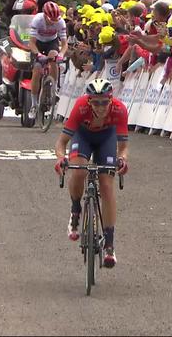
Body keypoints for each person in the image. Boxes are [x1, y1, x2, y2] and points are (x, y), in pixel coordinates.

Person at [54, 79, 129, 268]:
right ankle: (75, 209)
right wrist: (61, 159)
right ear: (89, 102)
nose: (101, 106)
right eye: (96, 102)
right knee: (78, 171)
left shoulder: (119, 110)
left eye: (105, 101)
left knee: (106, 186)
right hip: (83, 136)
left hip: (106, 139)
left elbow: (123, 147)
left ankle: (109, 245)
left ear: (111, 100)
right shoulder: (80, 107)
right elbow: (61, 143)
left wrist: (122, 160)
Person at [27, 1, 68, 119]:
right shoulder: (37, 20)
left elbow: (65, 44)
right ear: (45, 15)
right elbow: (31, 43)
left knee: (54, 57)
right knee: (37, 69)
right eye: (51, 19)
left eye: (56, 19)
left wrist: (61, 54)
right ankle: (34, 105)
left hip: (52, 42)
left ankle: (53, 90)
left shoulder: (60, 22)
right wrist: (38, 55)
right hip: (38, 43)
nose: (53, 22)